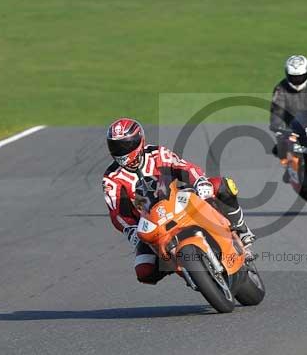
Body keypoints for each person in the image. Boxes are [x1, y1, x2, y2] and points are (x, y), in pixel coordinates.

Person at [102, 118, 255, 285]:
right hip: (151, 226)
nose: (121, 151)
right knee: (144, 271)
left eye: (125, 145)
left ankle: (242, 231)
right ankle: (183, 266)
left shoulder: (157, 154)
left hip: (180, 203)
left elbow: (183, 167)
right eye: (115, 146)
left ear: (139, 140)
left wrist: (199, 181)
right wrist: (129, 229)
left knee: (222, 185)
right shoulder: (111, 178)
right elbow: (117, 212)